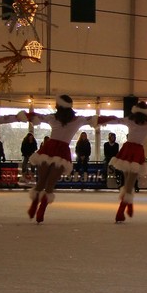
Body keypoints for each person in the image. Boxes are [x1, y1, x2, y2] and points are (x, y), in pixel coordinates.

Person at [27, 95, 114, 223]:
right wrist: (115, 118)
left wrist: (20, 116)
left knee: (44, 182)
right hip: (56, 152)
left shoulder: (55, 118)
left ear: (59, 106)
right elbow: (97, 119)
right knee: (47, 183)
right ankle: (38, 207)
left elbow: (35, 116)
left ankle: (39, 206)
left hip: (51, 150)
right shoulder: (74, 119)